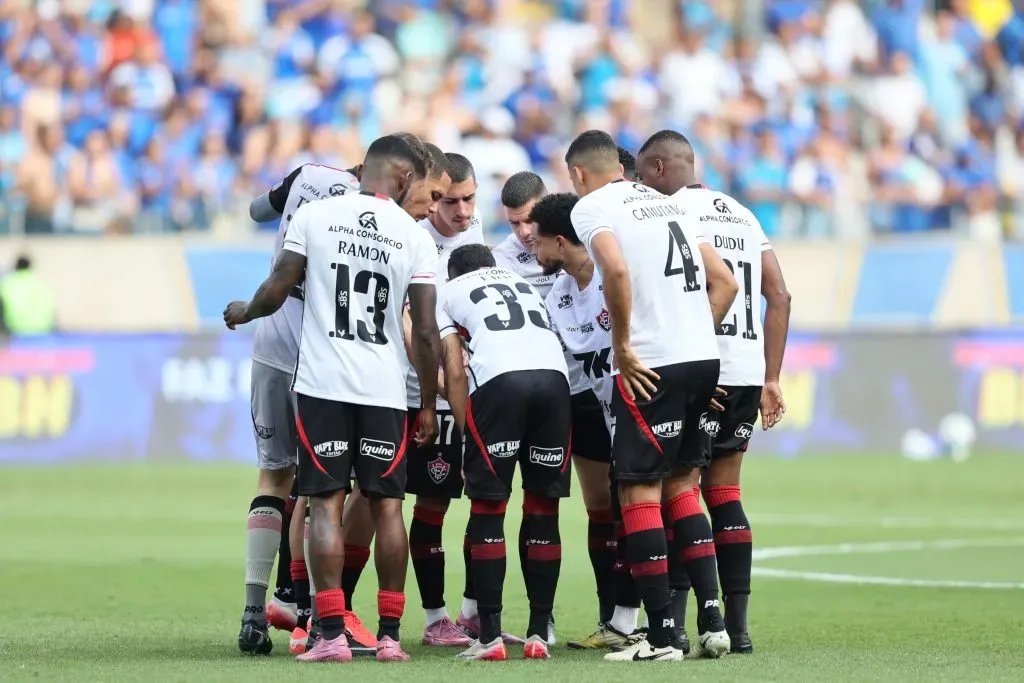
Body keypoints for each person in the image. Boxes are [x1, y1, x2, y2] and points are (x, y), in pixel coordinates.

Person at [223, 134, 443, 664]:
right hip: (385, 389)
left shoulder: (316, 216)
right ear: (406, 178)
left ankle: (326, 633)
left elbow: (278, 287)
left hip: (322, 383)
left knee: (323, 502)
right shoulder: (412, 235)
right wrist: (430, 404)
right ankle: (391, 636)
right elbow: (429, 331)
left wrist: (243, 312)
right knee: (388, 506)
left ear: (363, 168)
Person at [565, 130, 738, 662]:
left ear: (577, 175)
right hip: (702, 359)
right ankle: (712, 622)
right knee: (684, 486)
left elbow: (613, 269)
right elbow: (725, 283)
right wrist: (694, 343)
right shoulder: (671, 203)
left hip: (652, 364)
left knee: (637, 494)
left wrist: (622, 346)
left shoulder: (592, 207)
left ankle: (661, 636)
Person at [635, 129, 792, 654]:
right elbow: (780, 294)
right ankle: (739, 629)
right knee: (725, 492)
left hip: (705, 366)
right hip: (747, 371)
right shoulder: (742, 213)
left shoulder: (671, 213)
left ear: (659, 170)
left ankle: (682, 624)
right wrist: (771, 377)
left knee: (680, 488)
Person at [337, 152, 500, 647]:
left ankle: (434, 620)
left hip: (446, 395)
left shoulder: (477, 241)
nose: (460, 210)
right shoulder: (406, 232)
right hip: (394, 390)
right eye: (447, 200)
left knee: (433, 502)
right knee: (368, 497)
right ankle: (332, 609)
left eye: (469, 199)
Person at [239, 160, 369, 657]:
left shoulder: (308, 174)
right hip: (322, 361)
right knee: (325, 488)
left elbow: (256, 211)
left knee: (273, 478)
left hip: (270, 343)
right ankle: (315, 616)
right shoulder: (378, 219)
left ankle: (255, 611)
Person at [437, 243, 571, 662]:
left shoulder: (449, 293)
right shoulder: (521, 283)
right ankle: (538, 633)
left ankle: (489, 637)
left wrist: (466, 434)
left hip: (501, 384)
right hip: (555, 382)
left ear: (454, 273)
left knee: (489, 509)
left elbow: (455, 371)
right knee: (543, 508)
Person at [530, 191, 650, 651]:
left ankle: (665, 621)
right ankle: (617, 620)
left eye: (537, 241)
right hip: (600, 411)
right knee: (606, 511)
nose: (532, 250)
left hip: (645, 404)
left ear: (561, 242)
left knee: (644, 509)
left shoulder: (615, 275)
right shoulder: (559, 296)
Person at [492, 171, 558, 298]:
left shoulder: (577, 238)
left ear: (547, 206)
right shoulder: (502, 259)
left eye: (529, 220)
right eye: (514, 223)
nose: (523, 232)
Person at [0, 256, 56, 335]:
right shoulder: (41, 284)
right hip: (42, 328)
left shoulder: (6, 283)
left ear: (15, 267)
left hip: (16, 329)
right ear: (30, 267)